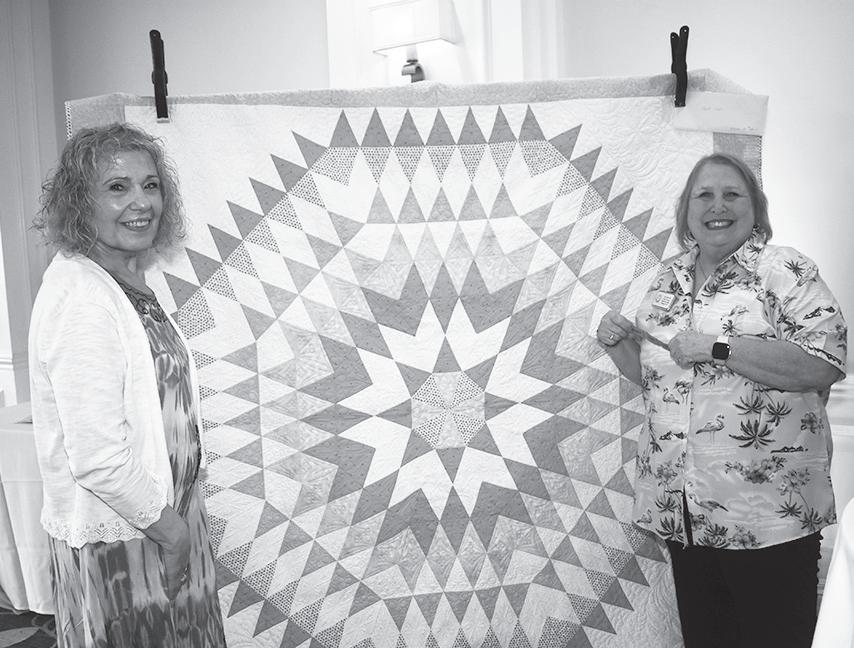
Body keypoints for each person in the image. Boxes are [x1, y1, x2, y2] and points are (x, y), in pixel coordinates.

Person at [596, 153, 847, 648]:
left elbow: (823, 362)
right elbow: (660, 383)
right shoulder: (667, 279)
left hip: (767, 516)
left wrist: (719, 348)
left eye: (732, 194)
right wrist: (619, 345)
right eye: (704, 195)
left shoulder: (785, 271)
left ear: (756, 207)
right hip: (684, 513)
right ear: (686, 211)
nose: (718, 206)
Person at [28, 123, 226, 647]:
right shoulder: (83, 300)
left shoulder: (123, 280)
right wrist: (173, 534)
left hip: (161, 521)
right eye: (117, 187)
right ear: (79, 203)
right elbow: (98, 457)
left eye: (150, 184)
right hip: (129, 539)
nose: (141, 202)